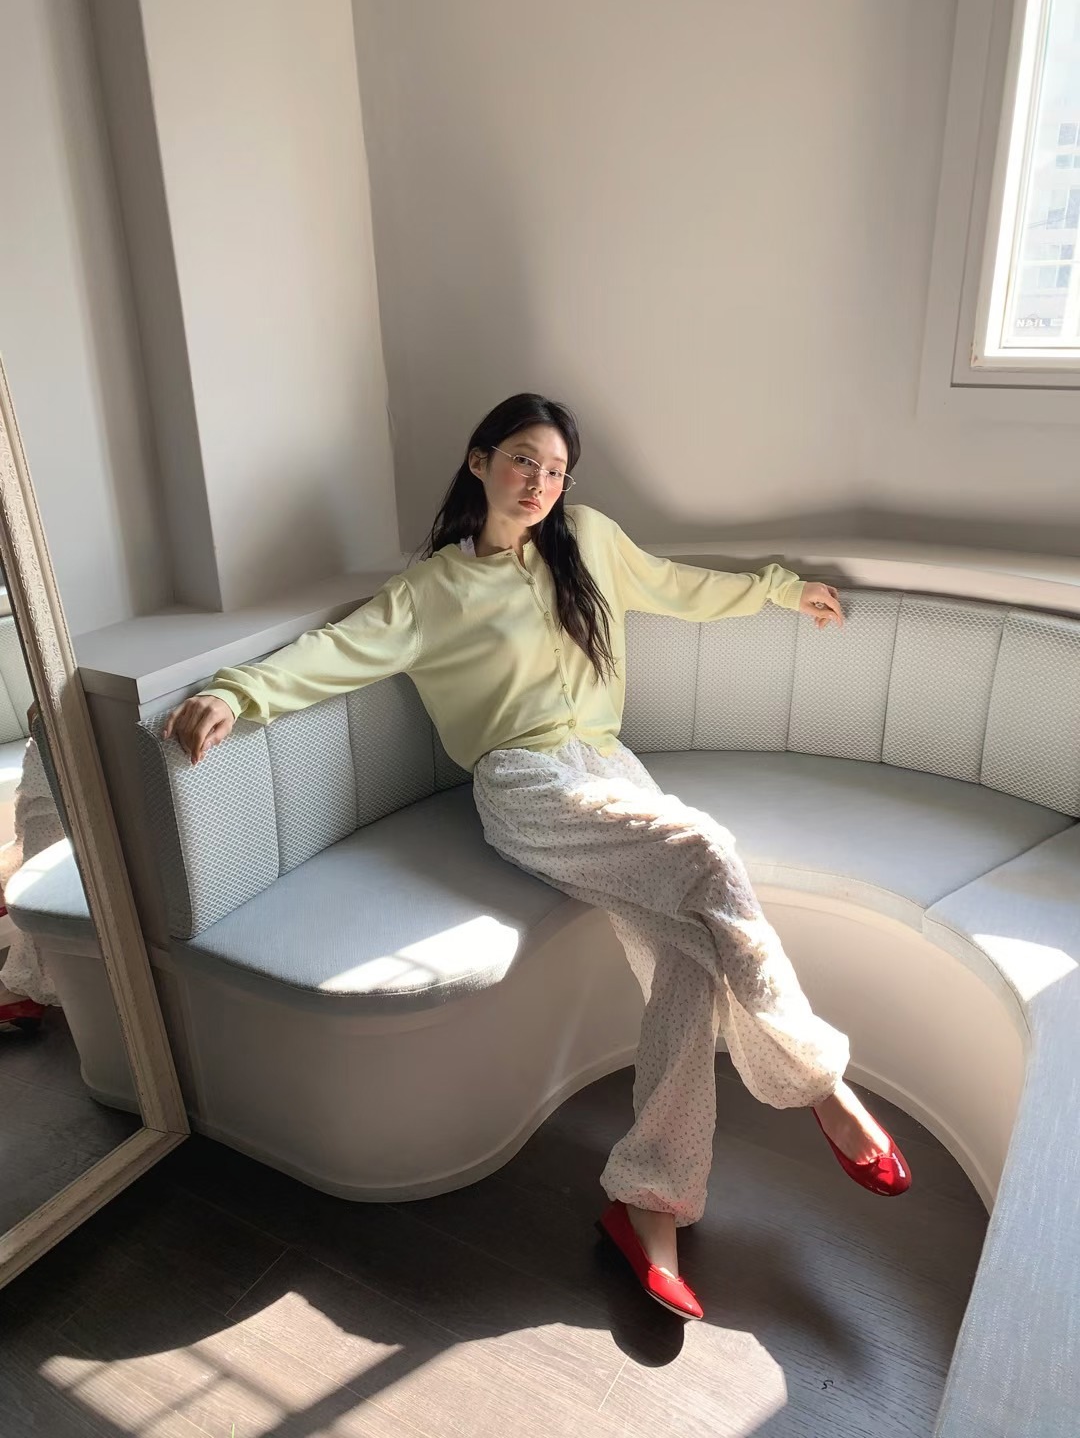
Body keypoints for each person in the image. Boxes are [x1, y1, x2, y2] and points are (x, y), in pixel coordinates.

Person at [163, 392, 911, 1322]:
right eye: (523, 459)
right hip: (524, 785)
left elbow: (678, 585)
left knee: (686, 958)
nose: (540, 483)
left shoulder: (588, 542)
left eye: (556, 470)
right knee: (712, 849)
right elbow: (336, 650)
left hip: (612, 769)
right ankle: (820, 1084)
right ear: (479, 461)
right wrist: (236, 692)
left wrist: (780, 589)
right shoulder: (431, 591)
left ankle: (648, 1205)